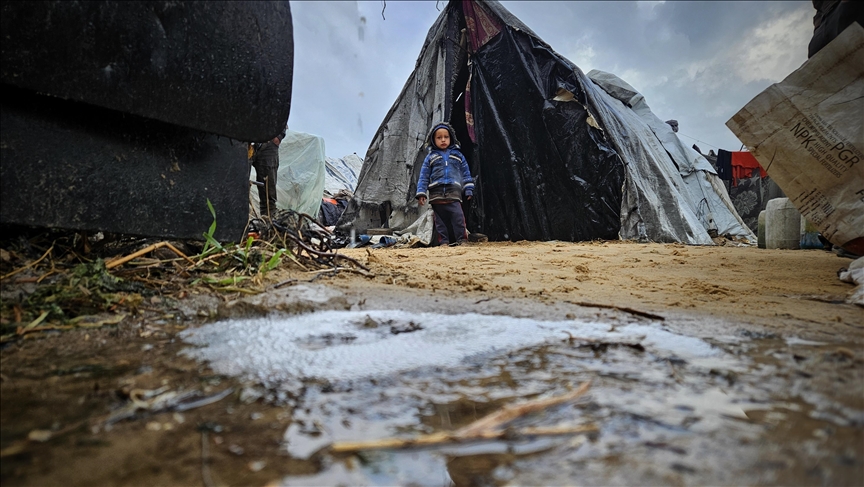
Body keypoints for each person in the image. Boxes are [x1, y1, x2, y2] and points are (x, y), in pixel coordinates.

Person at [415, 122, 475, 246]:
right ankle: (443, 242)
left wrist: (468, 188)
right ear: (433, 140)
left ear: (451, 138)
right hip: (436, 195)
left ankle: (462, 240)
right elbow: (424, 176)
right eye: (439, 137)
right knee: (440, 222)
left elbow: (465, 173)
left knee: (458, 218)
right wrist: (421, 193)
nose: (443, 140)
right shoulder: (430, 157)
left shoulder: (458, 156)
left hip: (454, 193)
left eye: (446, 137)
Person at [251, 126, 287, 218]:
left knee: (267, 188)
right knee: (237, 181)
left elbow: (282, 112)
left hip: (268, 141)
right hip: (243, 138)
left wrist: (278, 136)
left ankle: (268, 223)